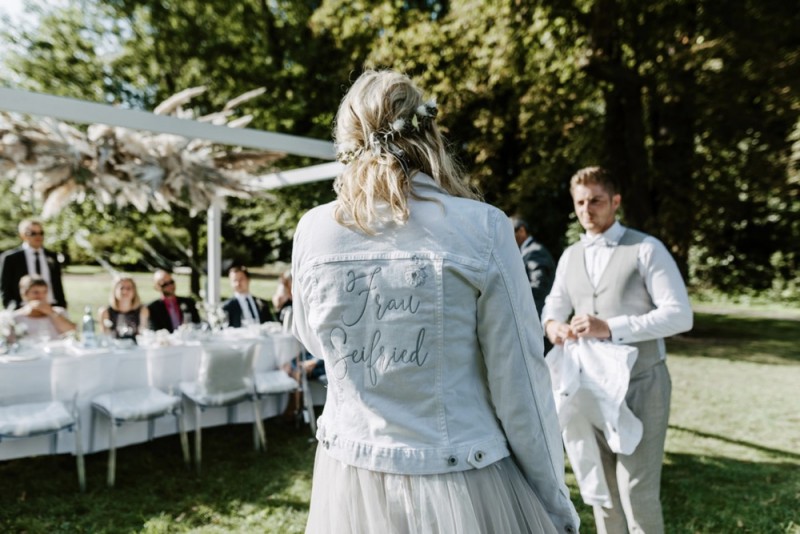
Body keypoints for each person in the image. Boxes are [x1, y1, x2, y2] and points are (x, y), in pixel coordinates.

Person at [291, 70, 578, 534]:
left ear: (345, 142)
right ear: (428, 131)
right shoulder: (482, 227)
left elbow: (313, 338)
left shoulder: (314, 229)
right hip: (461, 482)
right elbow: (521, 382)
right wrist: (554, 503)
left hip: (349, 479)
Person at [541, 166, 693, 534]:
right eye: (580, 202)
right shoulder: (570, 256)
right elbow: (552, 307)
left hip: (641, 384)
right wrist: (553, 327)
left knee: (636, 490)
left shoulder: (646, 248)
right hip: (587, 389)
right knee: (601, 493)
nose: (587, 209)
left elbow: (680, 316)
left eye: (596, 200)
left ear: (615, 202)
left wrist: (611, 327)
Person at [0, 219, 67, 309]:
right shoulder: (10, 258)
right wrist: (12, 308)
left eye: (41, 233)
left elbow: (58, 285)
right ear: (23, 235)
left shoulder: (52, 256)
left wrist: (62, 306)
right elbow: (5, 288)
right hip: (23, 308)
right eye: (33, 233)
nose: (38, 236)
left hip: (51, 307)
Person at [510, 216, 556, 317]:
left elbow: (538, 286)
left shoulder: (535, 252)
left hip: (537, 315)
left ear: (521, 231)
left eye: (509, 234)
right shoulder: (527, 252)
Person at [13, 275, 75, 340]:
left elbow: (71, 332)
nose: (41, 296)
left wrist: (51, 312)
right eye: (36, 292)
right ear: (25, 294)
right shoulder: (16, 317)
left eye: (44, 292)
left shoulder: (59, 311)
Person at [99, 276, 149, 340]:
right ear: (115, 290)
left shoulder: (142, 310)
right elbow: (105, 336)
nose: (125, 291)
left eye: (129, 288)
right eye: (121, 288)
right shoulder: (105, 312)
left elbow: (143, 334)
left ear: (134, 291)